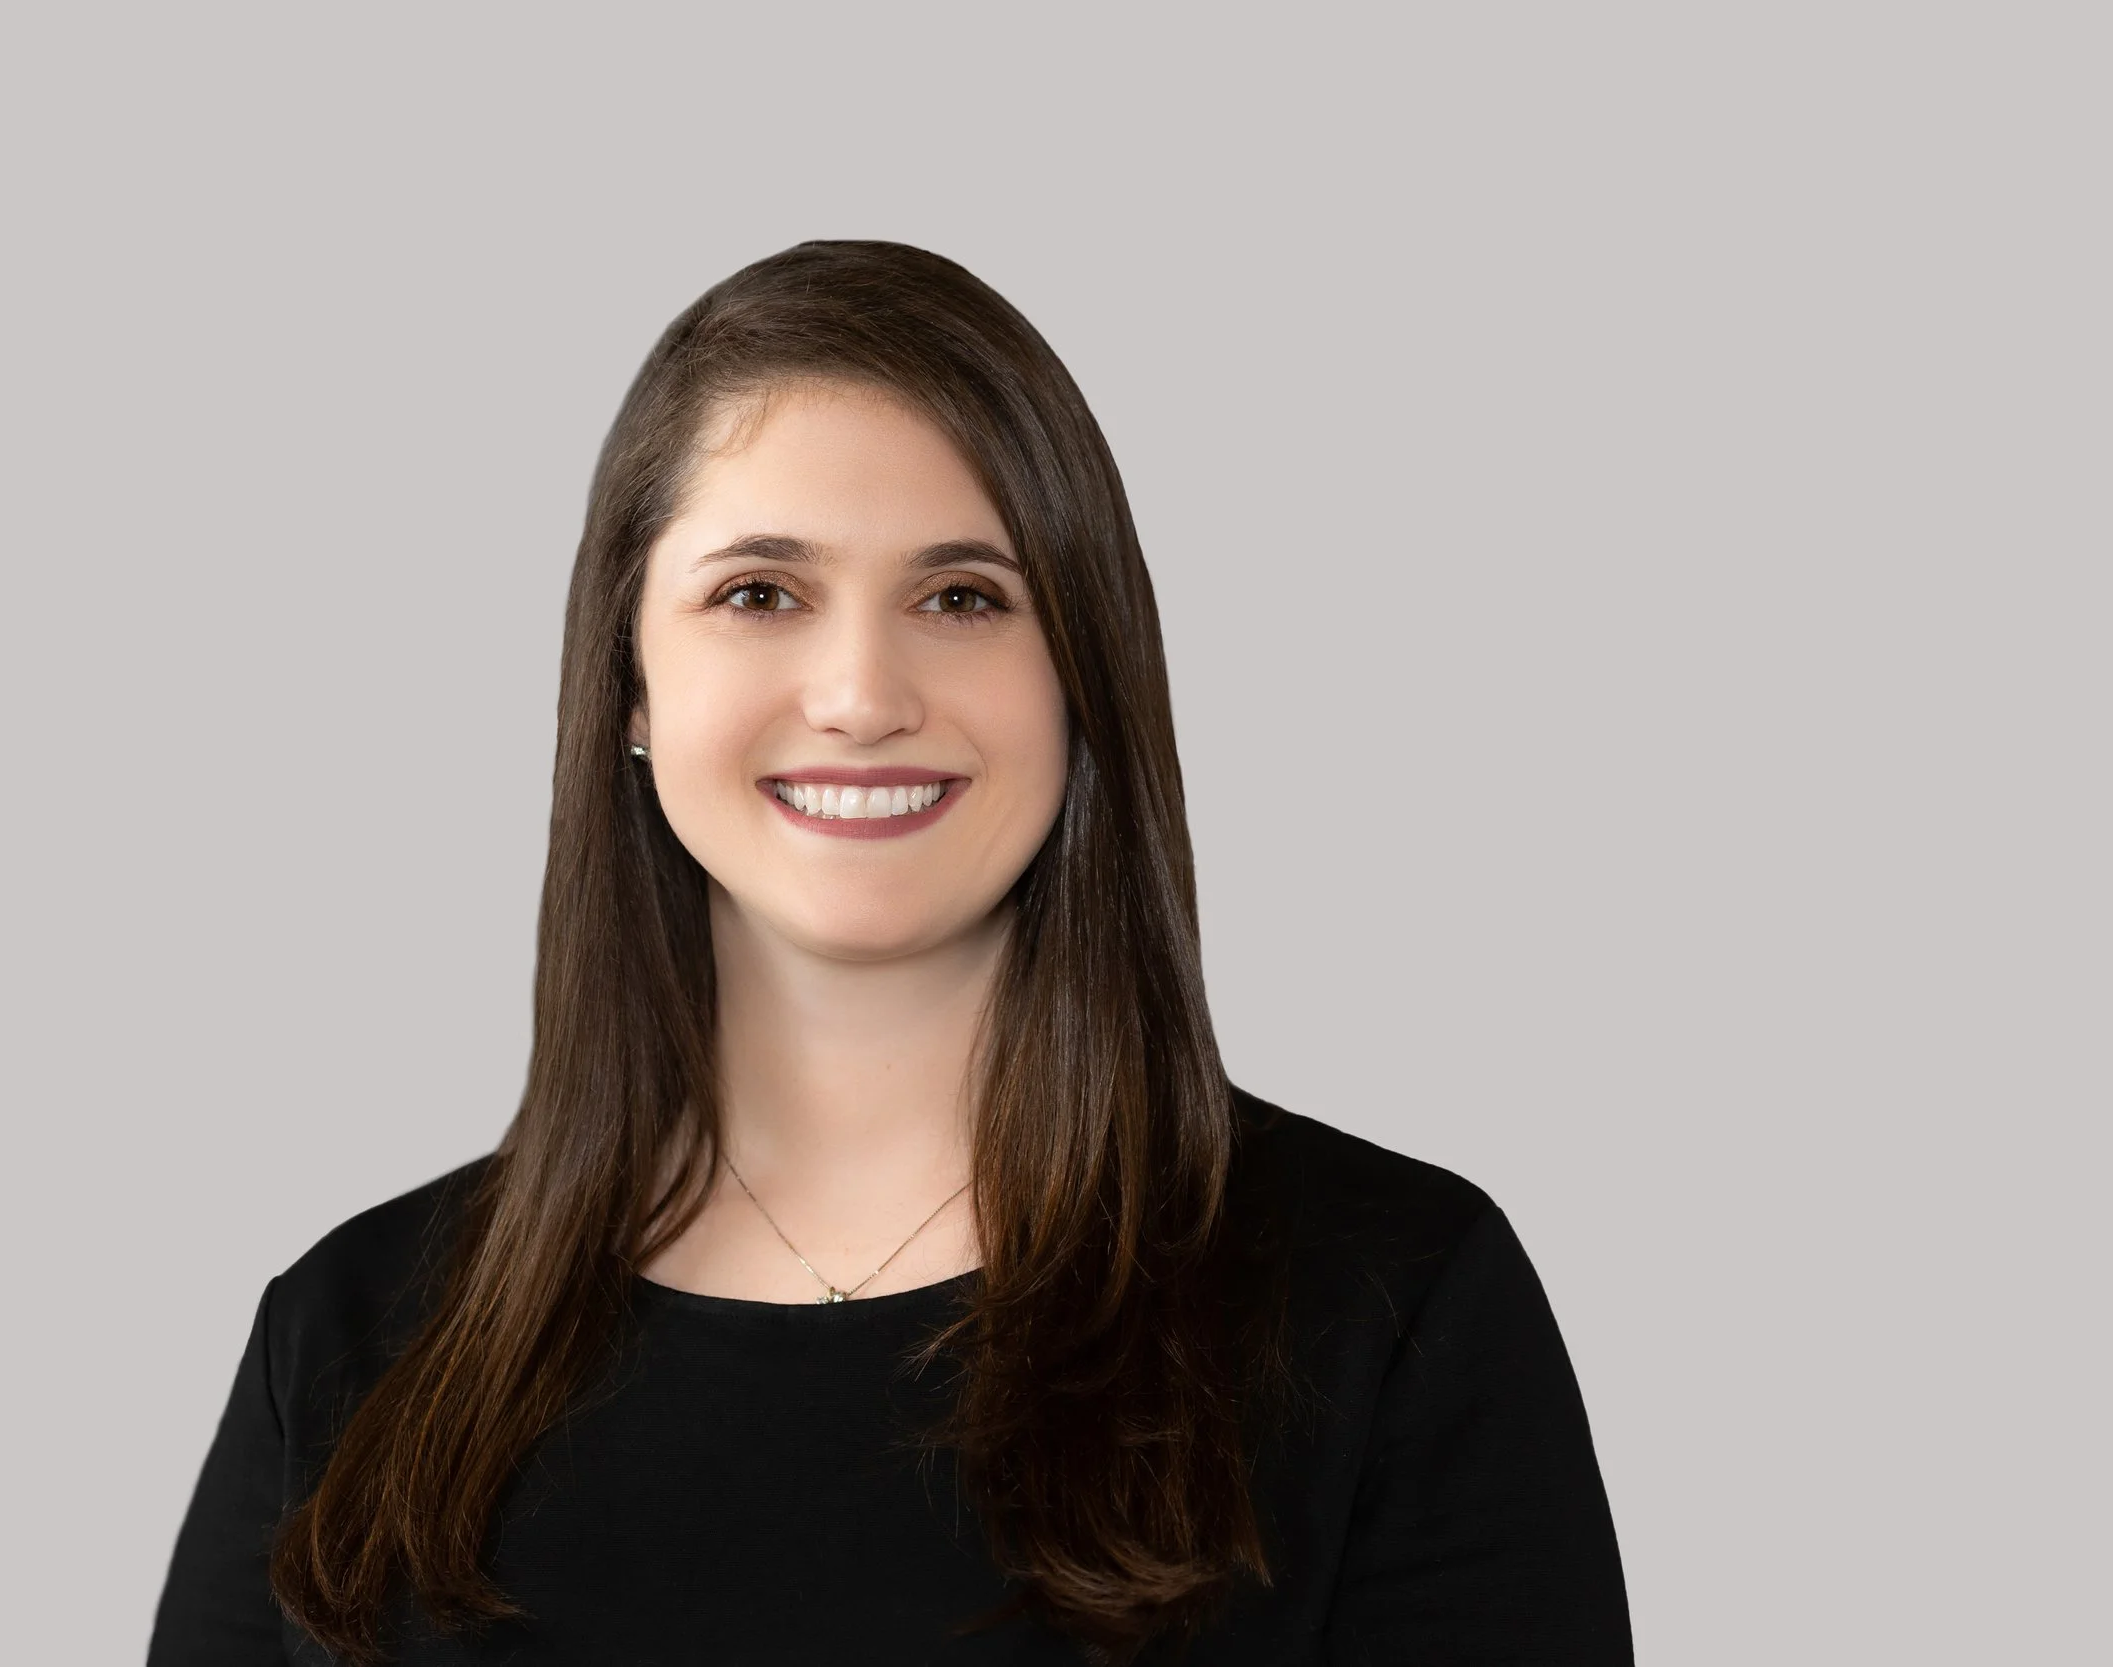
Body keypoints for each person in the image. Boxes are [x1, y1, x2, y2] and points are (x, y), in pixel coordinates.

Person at [148, 239, 1633, 1666]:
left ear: (1081, 680)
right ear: (631, 683)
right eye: (760, 593)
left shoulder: (1392, 1309)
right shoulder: (348, 1346)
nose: (861, 693)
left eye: (962, 597)